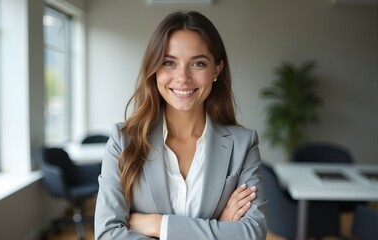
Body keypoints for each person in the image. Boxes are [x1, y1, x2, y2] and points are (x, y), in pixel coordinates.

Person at [95, 10, 267, 240]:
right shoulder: (123, 141)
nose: (183, 77)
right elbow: (107, 235)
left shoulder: (243, 145)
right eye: (169, 63)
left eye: (198, 63)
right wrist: (219, 226)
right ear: (154, 69)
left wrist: (158, 225)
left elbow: (251, 234)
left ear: (216, 69)